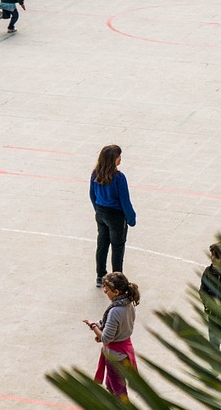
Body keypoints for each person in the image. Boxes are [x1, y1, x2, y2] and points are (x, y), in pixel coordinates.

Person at [84, 272, 140, 401]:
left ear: (116, 292)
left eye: (107, 289)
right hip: (125, 350)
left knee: (118, 390)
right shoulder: (128, 304)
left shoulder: (115, 311)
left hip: (115, 356)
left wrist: (93, 326)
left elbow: (105, 338)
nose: (104, 291)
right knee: (112, 384)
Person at [90, 145, 136, 288]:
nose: (120, 158)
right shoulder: (119, 178)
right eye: (118, 156)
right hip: (116, 216)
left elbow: (92, 194)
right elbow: (124, 200)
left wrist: (97, 209)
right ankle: (117, 278)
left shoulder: (95, 174)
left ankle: (100, 275)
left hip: (101, 213)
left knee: (102, 244)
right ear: (113, 159)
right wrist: (131, 218)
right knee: (117, 247)